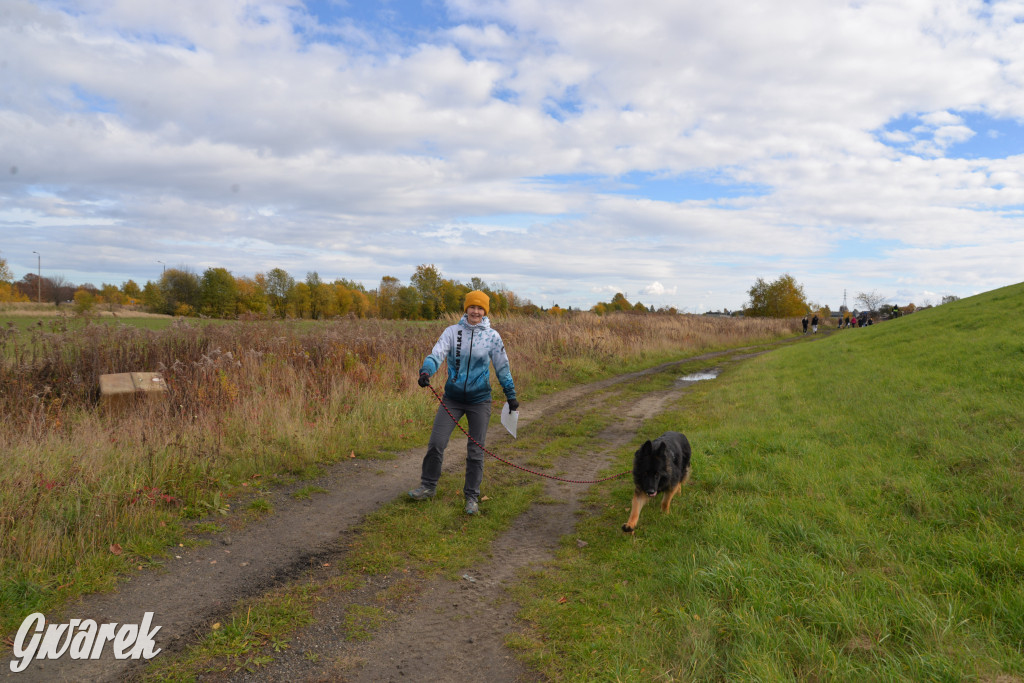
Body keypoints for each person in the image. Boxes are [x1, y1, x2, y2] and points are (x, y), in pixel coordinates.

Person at [409, 290, 518, 515]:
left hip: (480, 401)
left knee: (476, 451)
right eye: (472, 307)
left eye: (480, 308)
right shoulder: (452, 332)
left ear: (484, 311)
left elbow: (502, 367)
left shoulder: (492, 337)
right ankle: (428, 487)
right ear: (466, 309)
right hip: (452, 399)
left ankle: (471, 498)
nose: (475, 311)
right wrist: (426, 371)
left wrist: (511, 394)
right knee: (436, 444)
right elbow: (436, 354)